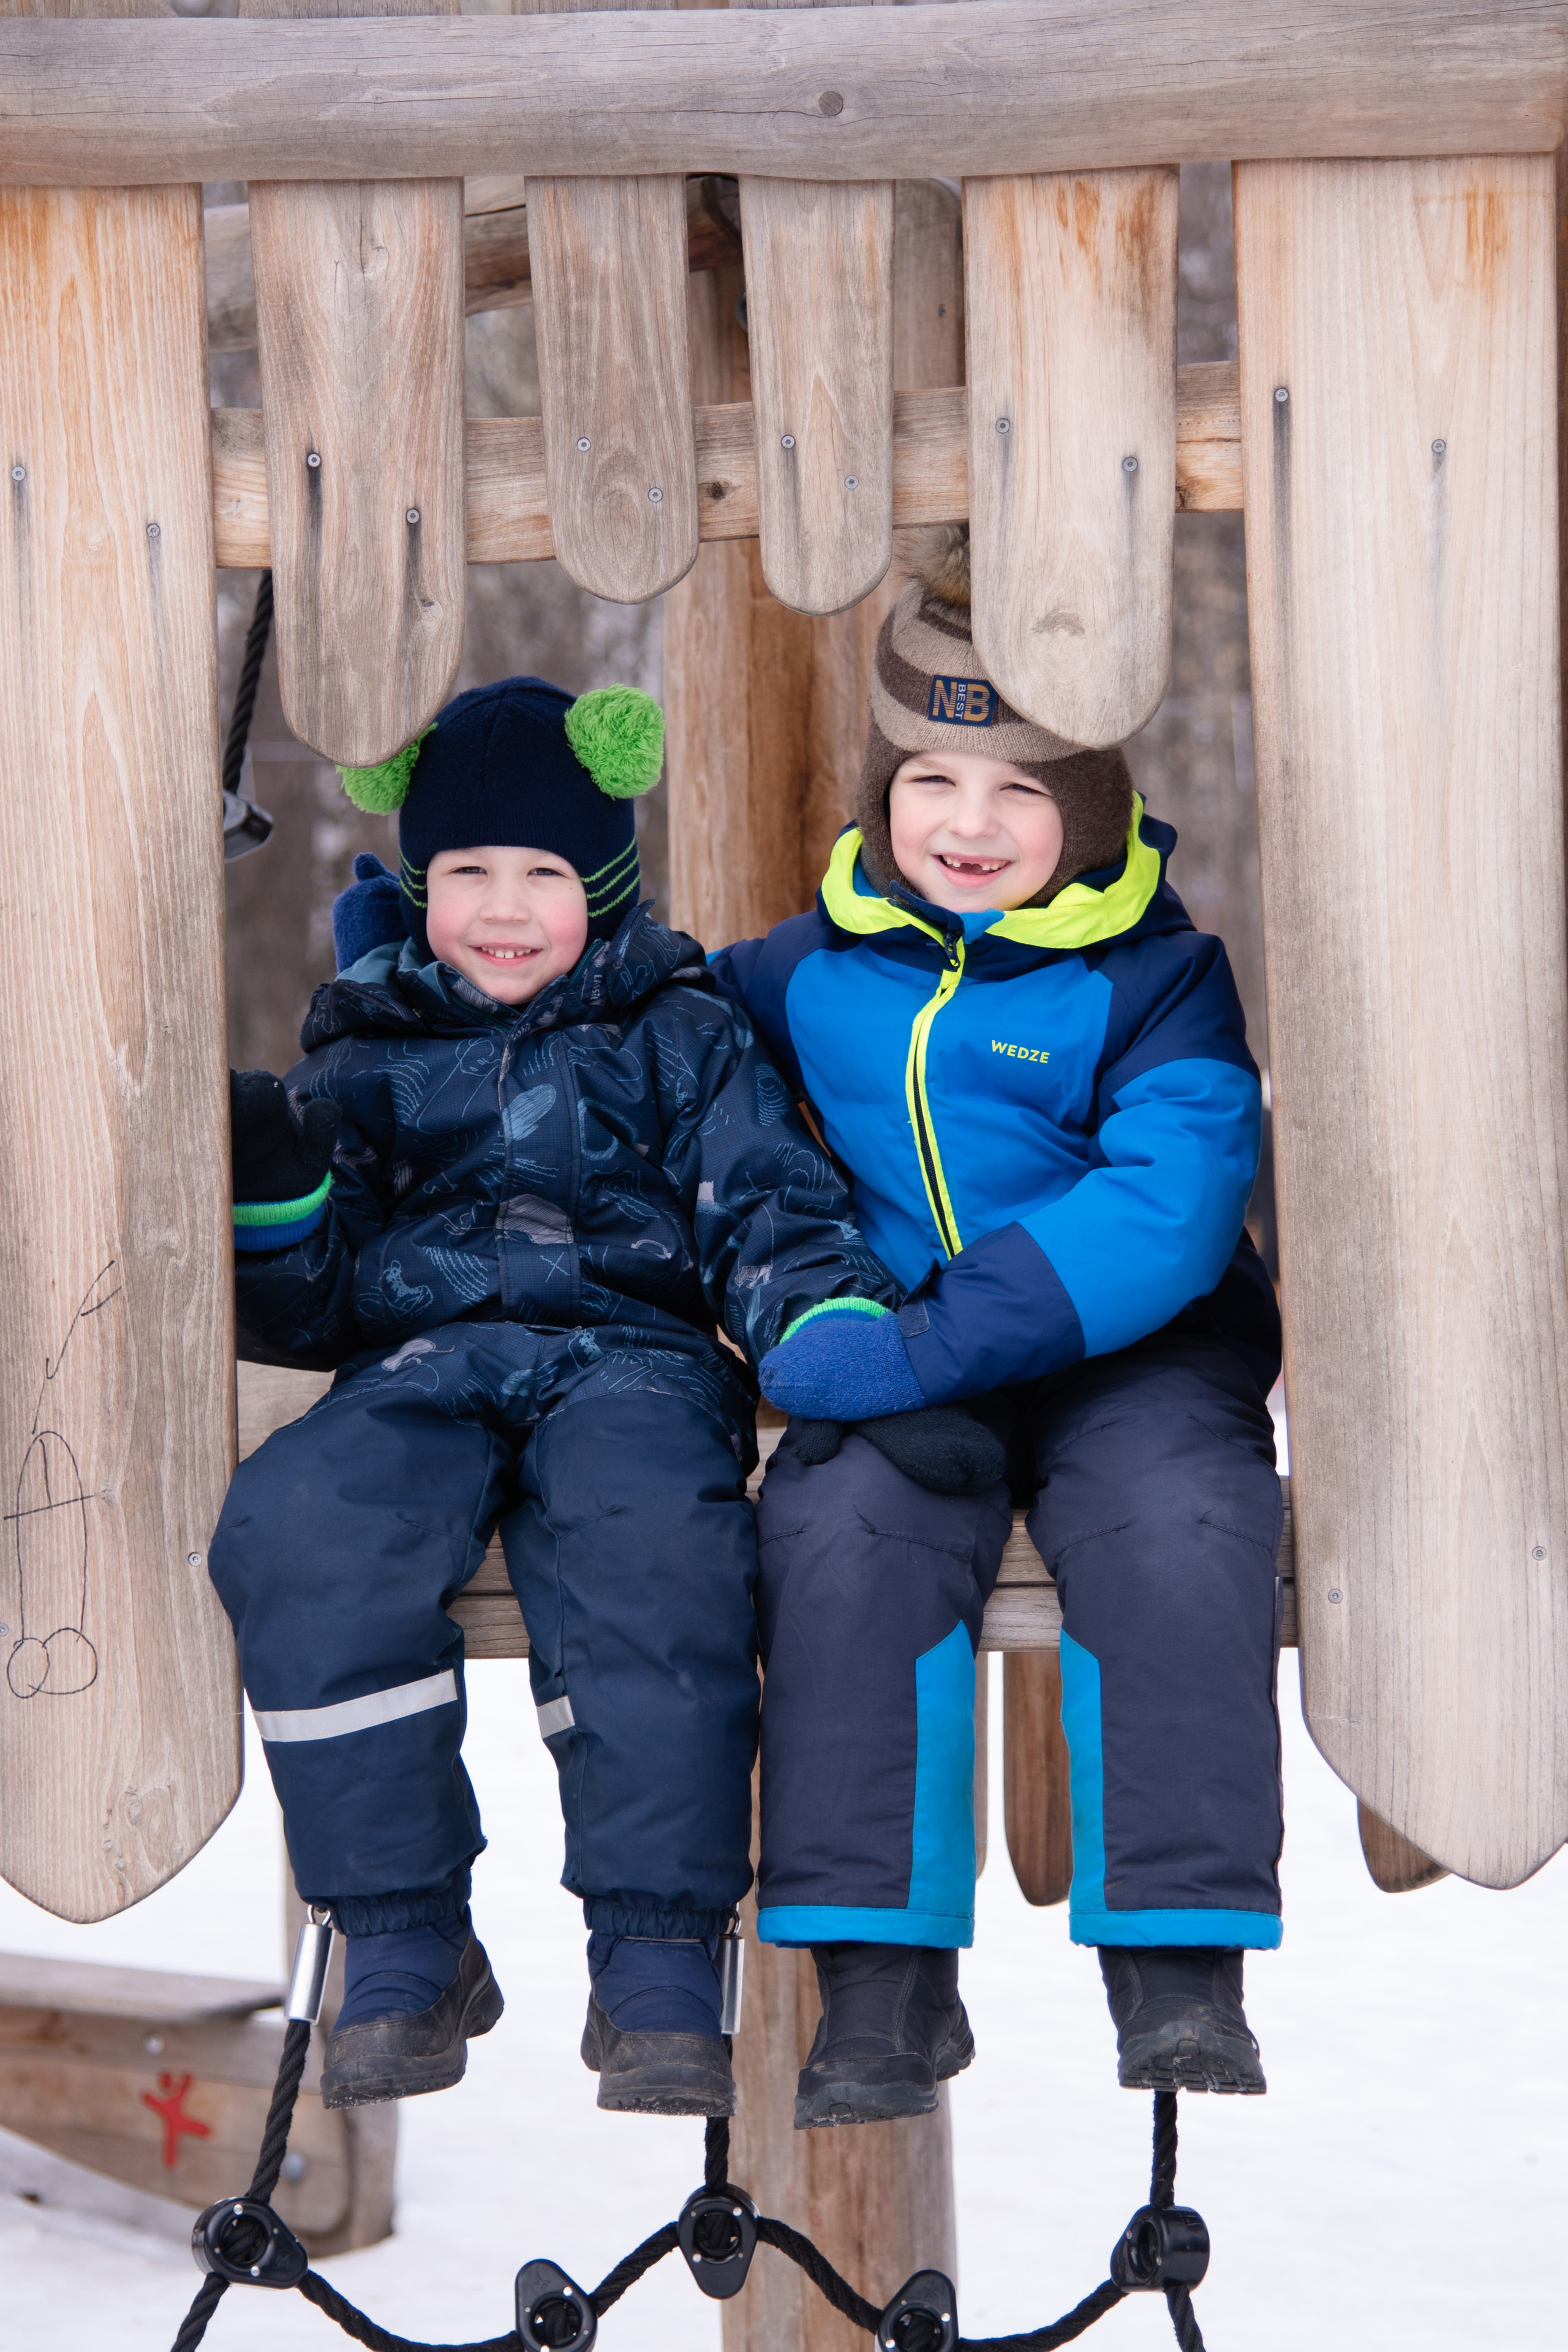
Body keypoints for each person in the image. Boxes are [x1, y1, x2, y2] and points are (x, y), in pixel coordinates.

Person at [209, 675, 905, 2120]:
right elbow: (317, 1302)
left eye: (544, 875)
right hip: (424, 1361)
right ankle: (401, 1933)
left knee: (654, 1545)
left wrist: (821, 1321)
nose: (505, 909)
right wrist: (277, 1202)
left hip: (632, 1360)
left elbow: (761, 1202)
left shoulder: (676, 1028)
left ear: (605, 886)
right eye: (468, 874)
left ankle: (653, 1956)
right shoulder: (368, 1048)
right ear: (421, 886)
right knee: (299, 1521)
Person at [709, 528, 1284, 2124]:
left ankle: (1176, 1964)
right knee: (839, 1527)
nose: (969, 825)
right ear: (883, 795)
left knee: (1181, 1519)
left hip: (1131, 1357)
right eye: (933, 784)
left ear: (1086, 808)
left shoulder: (1159, 980)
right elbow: (649, 1033)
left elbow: (1163, 1211)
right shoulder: (806, 973)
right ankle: (882, 1979)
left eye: (1021, 789)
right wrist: (449, 964)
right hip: (898, 1356)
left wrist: (918, 1345)